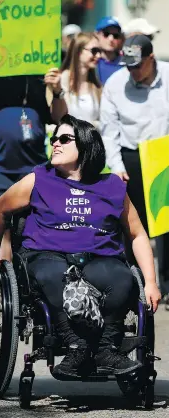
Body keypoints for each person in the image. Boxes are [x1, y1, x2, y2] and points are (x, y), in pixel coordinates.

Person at [0, 115, 161, 378]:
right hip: (46, 255)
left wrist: (151, 281)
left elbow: (137, 235)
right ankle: (76, 347)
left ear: (87, 146)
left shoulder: (112, 186)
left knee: (122, 279)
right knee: (52, 276)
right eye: (54, 138)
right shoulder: (38, 179)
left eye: (64, 139)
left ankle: (105, 348)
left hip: (99, 257)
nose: (55, 143)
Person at [0, 68, 67, 260]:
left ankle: (18, 279)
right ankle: (4, 280)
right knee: (0, 231)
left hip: (32, 167)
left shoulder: (41, 76)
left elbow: (60, 119)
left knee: (31, 231)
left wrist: (57, 90)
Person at [100, 34, 169, 309]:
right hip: (131, 158)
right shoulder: (115, 84)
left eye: (137, 65)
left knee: (166, 226)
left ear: (151, 59)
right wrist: (116, 165)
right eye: (128, 65)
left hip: (164, 153)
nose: (132, 70)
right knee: (132, 225)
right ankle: (133, 284)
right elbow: (108, 129)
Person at [60, 32, 102, 125]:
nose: (99, 55)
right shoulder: (62, 80)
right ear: (78, 52)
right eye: (94, 51)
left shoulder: (96, 86)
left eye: (100, 51)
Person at [95, 17, 123, 85]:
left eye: (115, 35)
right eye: (106, 34)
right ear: (96, 35)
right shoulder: (92, 63)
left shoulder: (125, 64)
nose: (111, 39)